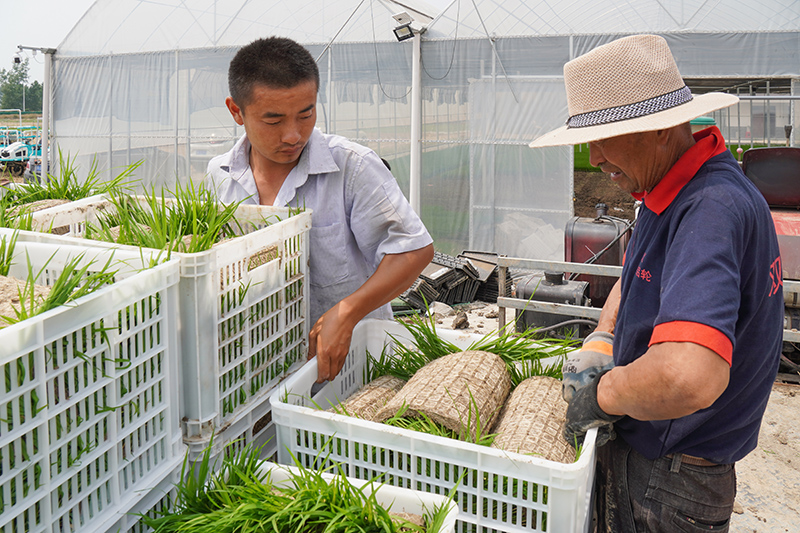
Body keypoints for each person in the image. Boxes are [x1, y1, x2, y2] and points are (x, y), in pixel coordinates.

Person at [529, 34, 784, 532]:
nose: (595, 158)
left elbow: (688, 375)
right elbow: (638, 272)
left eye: (606, 137)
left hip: (672, 481)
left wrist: (603, 394)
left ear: (661, 129)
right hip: (661, 466)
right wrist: (604, 336)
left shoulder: (709, 210)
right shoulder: (668, 186)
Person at [205, 37, 434, 383]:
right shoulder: (220, 176)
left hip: (353, 364)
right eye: (274, 120)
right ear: (237, 111)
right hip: (263, 363)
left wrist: (348, 311)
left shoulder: (352, 167)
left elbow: (412, 249)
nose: (293, 135)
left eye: (306, 113)